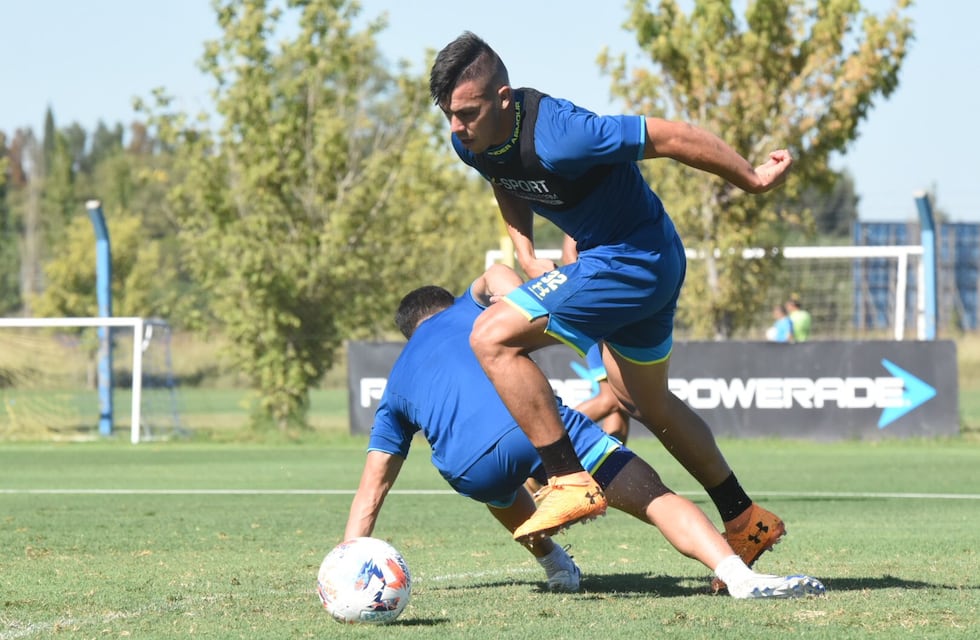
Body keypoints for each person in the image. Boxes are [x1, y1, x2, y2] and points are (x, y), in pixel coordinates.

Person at [428, 31, 793, 563]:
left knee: (491, 336)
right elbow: (501, 174)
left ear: (503, 98)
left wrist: (752, 180)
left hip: (630, 259)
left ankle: (567, 477)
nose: (458, 128)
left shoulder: (564, 134)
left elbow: (671, 136)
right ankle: (744, 517)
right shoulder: (473, 141)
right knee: (644, 401)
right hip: (646, 262)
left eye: (468, 112)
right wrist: (524, 248)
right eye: (449, 115)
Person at [343, 264, 826, 599]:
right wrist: (525, 297)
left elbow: (373, 489)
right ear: (446, 305)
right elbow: (493, 276)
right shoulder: (471, 312)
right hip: (531, 426)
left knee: (498, 487)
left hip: (469, 470)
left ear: (409, 333)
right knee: (653, 495)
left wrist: (346, 564)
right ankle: (737, 575)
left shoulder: (396, 383)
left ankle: (555, 565)